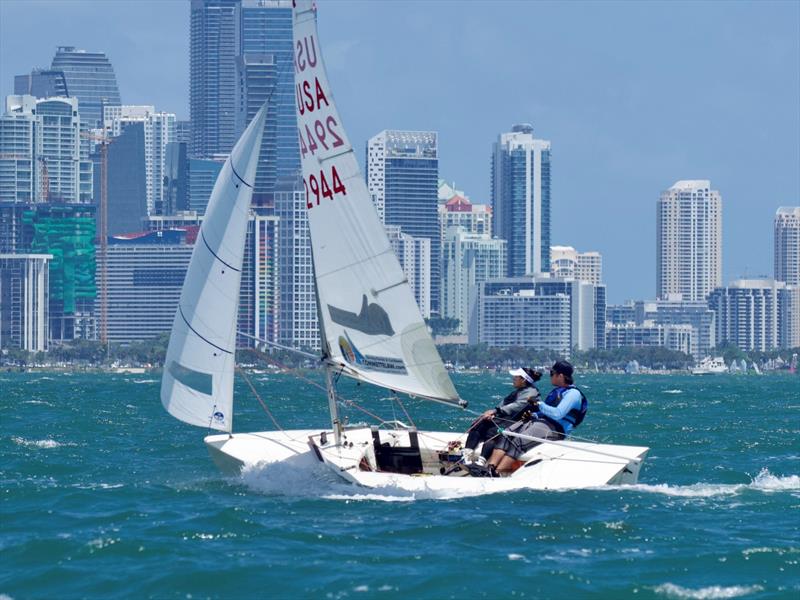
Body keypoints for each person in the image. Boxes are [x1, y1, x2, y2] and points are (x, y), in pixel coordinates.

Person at [486, 360, 587, 476]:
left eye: (552, 373)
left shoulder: (573, 394)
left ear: (560, 376)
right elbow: (546, 412)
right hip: (540, 423)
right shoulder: (557, 391)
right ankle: (490, 468)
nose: (550, 376)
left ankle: (497, 473)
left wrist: (538, 404)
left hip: (555, 429)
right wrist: (534, 415)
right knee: (506, 434)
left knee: (519, 441)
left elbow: (557, 414)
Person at [461, 367, 542, 465]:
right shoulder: (519, 391)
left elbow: (516, 406)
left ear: (523, 380)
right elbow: (503, 405)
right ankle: (466, 456)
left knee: (492, 431)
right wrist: (492, 414)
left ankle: (481, 461)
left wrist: (495, 411)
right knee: (480, 423)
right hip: (507, 418)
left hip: (519, 423)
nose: (513, 379)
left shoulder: (531, 392)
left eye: (516, 377)